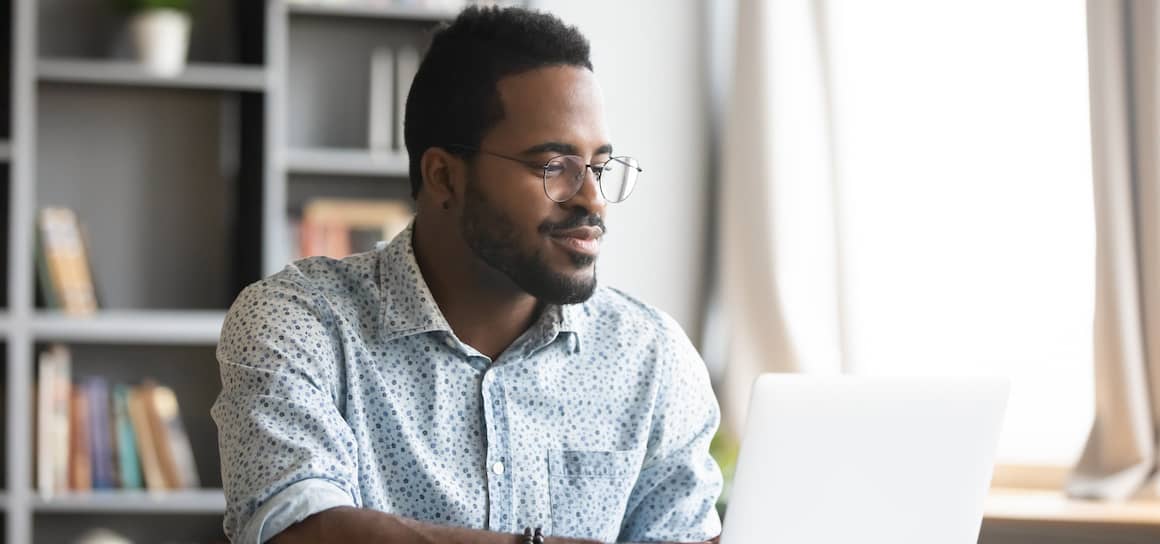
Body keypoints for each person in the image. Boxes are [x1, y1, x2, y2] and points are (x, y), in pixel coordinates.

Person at [212, 6, 722, 543]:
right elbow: (300, 531)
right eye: (554, 166)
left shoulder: (652, 355)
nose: (593, 199)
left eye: (598, 166)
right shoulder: (301, 322)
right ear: (444, 177)